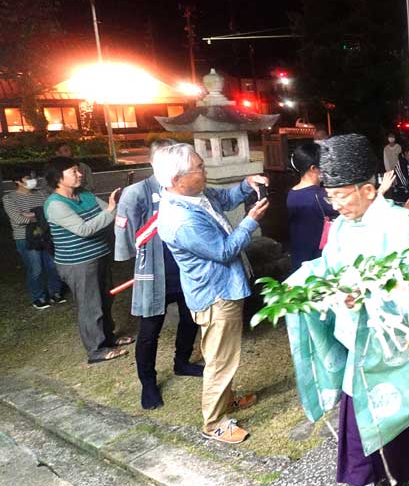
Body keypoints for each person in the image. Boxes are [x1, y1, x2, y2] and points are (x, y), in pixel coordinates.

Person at [280, 134, 409, 486]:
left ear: (367, 189)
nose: (336, 204)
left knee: (374, 398)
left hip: (394, 336)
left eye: (342, 196)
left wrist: (369, 294)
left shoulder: (399, 223)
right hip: (360, 334)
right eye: (331, 196)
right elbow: (329, 267)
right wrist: (306, 282)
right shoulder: (345, 226)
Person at [155, 144, 269, 444]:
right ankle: (214, 423)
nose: (205, 172)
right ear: (177, 179)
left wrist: (246, 185)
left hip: (222, 288)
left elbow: (226, 198)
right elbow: (223, 251)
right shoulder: (181, 220)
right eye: (199, 168)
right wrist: (250, 222)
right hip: (216, 295)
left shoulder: (195, 196)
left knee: (221, 354)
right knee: (220, 359)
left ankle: (226, 400)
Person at [114, 138, 202, 410]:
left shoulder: (185, 186)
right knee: (150, 329)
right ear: (152, 162)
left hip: (185, 269)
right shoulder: (137, 192)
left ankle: (182, 362)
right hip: (153, 272)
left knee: (190, 319)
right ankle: (148, 383)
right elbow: (126, 236)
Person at [44, 157, 131, 363]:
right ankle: (96, 350)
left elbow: (111, 212)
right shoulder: (55, 204)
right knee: (90, 305)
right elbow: (84, 229)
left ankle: (109, 338)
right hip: (77, 263)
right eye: (73, 172)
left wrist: (124, 205)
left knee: (106, 299)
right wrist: (110, 210)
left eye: (78, 171)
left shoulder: (84, 194)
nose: (80, 174)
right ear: (58, 178)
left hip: (99, 256)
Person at [4, 166, 65, 309]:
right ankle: (38, 297)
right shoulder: (9, 198)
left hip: (45, 235)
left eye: (34, 177)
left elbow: (50, 212)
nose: (33, 180)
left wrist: (31, 214)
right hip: (25, 238)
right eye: (28, 178)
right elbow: (18, 219)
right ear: (18, 181)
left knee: (52, 265)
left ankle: (55, 292)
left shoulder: (42, 194)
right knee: (35, 268)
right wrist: (39, 214)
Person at [286, 142, 339, 270]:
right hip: (318, 260)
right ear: (313, 168)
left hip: (299, 258)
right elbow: (347, 207)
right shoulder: (319, 196)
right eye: (324, 164)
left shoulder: (292, 193)